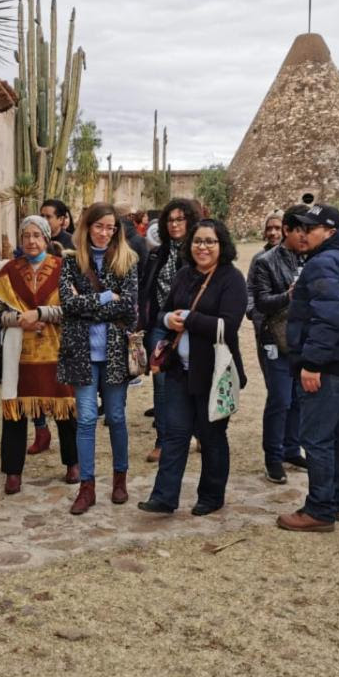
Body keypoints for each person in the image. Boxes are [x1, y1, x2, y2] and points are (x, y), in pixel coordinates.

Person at [138, 219, 248, 515]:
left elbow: (228, 326)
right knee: (175, 435)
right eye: (198, 241)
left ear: (221, 245)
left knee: (211, 437)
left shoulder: (231, 278)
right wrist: (167, 320)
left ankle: (211, 497)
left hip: (214, 374)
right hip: (179, 370)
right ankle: (164, 497)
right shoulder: (184, 275)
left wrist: (189, 318)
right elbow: (164, 311)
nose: (203, 247)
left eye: (210, 241)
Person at [275, 205, 339, 533]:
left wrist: (313, 363)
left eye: (310, 229)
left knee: (316, 437)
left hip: (328, 363)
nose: (303, 234)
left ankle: (319, 509)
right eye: (301, 228)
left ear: (330, 232)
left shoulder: (324, 262)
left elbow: (327, 318)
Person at [0, 216, 78, 494]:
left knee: (65, 408)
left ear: (47, 238)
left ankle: (73, 462)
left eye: (37, 235)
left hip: (57, 350)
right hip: (19, 355)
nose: (31, 241)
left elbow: (74, 309)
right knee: (15, 412)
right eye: (26, 236)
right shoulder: (9, 271)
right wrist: (18, 320)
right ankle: (13, 471)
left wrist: (41, 314)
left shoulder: (63, 268)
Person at [57, 202, 139, 514]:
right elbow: (67, 305)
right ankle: (87, 487)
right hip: (82, 353)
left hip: (115, 352)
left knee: (116, 417)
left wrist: (86, 304)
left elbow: (128, 308)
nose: (105, 233)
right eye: (99, 226)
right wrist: (106, 297)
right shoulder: (71, 261)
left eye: (110, 228)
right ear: (88, 226)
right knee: (87, 419)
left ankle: (120, 479)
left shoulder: (127, 260)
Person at [139, 198, 200, 463]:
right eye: (170, 220)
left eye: (180, 219)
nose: (174, 225)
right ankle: (163, 440)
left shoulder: (199, 251)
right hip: (160, 325)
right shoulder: (157, 254)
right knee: (161, 384)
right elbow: (147, 289)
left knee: (193, 381)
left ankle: (198, 432)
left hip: (191, 326)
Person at [247, 208, 305, 483]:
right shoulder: (265, 261)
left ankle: (292, 448)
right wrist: (287, 296)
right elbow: (259, 301)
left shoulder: (311, 257)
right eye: (300, 230)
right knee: (280, 398)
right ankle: (273, 456)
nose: (304, 236)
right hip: (275, 337)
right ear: (287, 231)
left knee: (297, 398)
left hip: (302, 339)